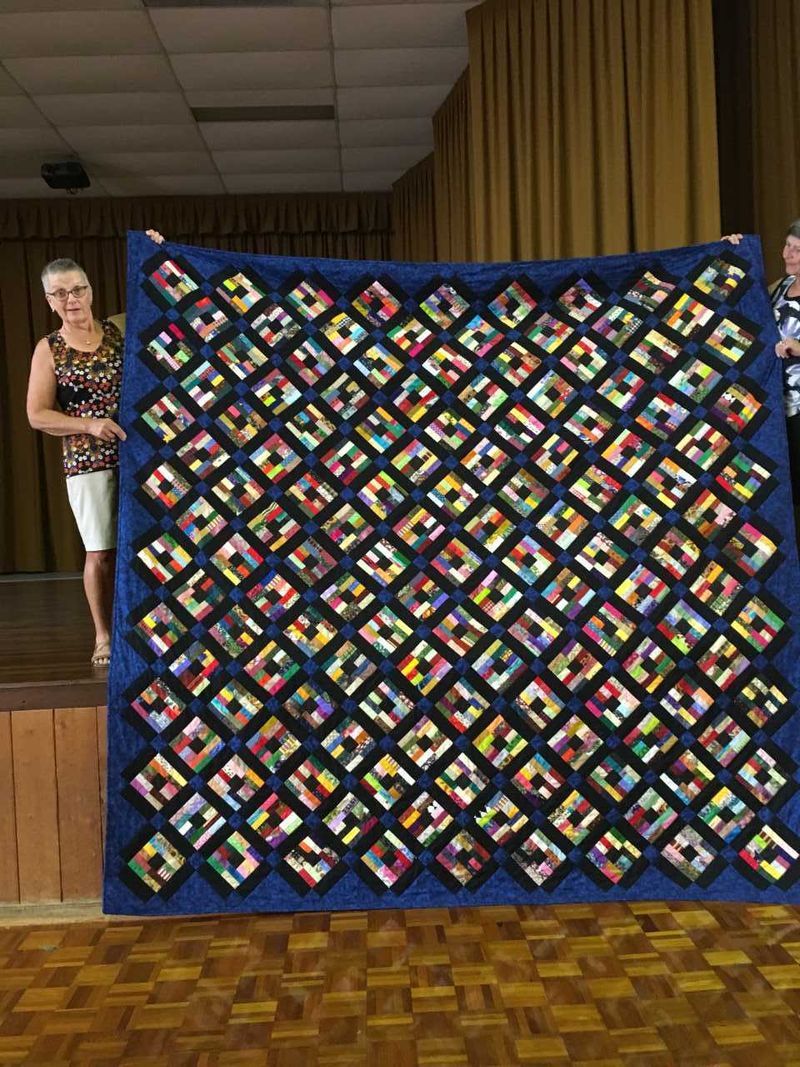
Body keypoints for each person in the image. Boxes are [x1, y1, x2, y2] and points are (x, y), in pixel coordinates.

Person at [26, 230, 164, 667]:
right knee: (101, 551)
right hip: (88, 463)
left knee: (150, 547)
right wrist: (88, 425)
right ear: (49, 300)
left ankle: (148, 629)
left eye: (78, 289)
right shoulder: (49, 349)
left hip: (139, 457)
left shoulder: (120, 329)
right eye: (60, 293)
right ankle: (104, 635)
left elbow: (166, 306)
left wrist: (158, 255)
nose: (72, 299)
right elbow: (37, 415)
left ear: (90, 290)